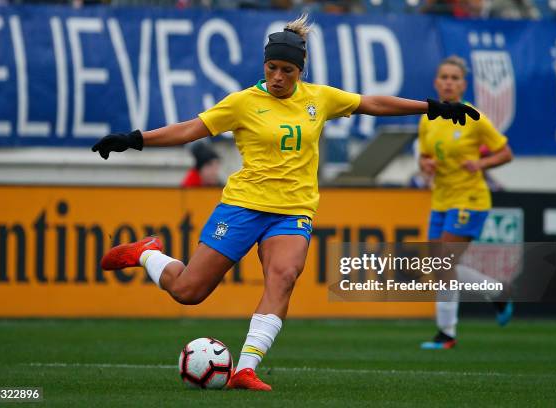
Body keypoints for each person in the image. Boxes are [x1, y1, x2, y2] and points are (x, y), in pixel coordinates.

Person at [91, 16, 479, 390]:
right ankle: (147, 253)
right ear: (264, 65)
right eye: (272, 68)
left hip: (293, 211)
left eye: (287, 71)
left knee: (284, 276)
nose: (278, 77)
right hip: (242, 206)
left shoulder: (320, 98)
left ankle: (245, 368)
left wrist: (432, 107)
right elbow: (189, 130)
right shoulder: (242, 103)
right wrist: (134, 138)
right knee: (189, 292)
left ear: (301, 70)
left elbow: (372, 103)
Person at [417, 56, 514, 350]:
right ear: (436, 82)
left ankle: (446, 334)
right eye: (444, 77)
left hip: (470, 198)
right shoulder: (427, 118)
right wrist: (427, 165)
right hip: (441, 198)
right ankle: (496, 292)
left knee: (444, 261)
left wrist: (481, 163)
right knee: (439, 264)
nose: (448, 82)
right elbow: (424, 157)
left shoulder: (474, 117)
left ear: (463, 85)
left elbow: (506, 153)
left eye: (454, 78)